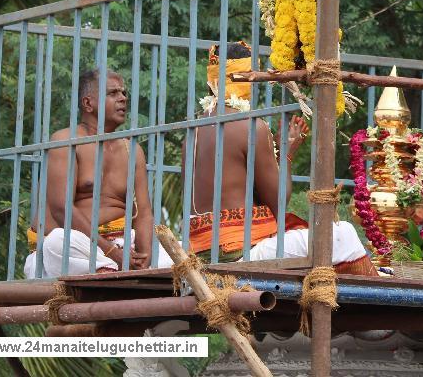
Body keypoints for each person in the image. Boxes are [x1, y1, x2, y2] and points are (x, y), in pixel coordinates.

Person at [185, 42, 378, 276]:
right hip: (239, 253)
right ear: (247, 77)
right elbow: (278, 202)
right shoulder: (251, 127)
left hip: (200, 251)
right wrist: (286, 151)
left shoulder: (193, 131)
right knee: (343, 233)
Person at [24, 68, 171, 278]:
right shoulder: (65, 141)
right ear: (88, 103)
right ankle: (108, 271)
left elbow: (144, 213)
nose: (123, 99)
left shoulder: (132, 150)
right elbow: (61, 209)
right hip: (79, 248)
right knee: (58, 241)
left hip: (122, 246)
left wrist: (144, 256)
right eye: (113, 93)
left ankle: (128, 272)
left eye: (124, 93)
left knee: (179, 249)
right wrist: (111, 252)